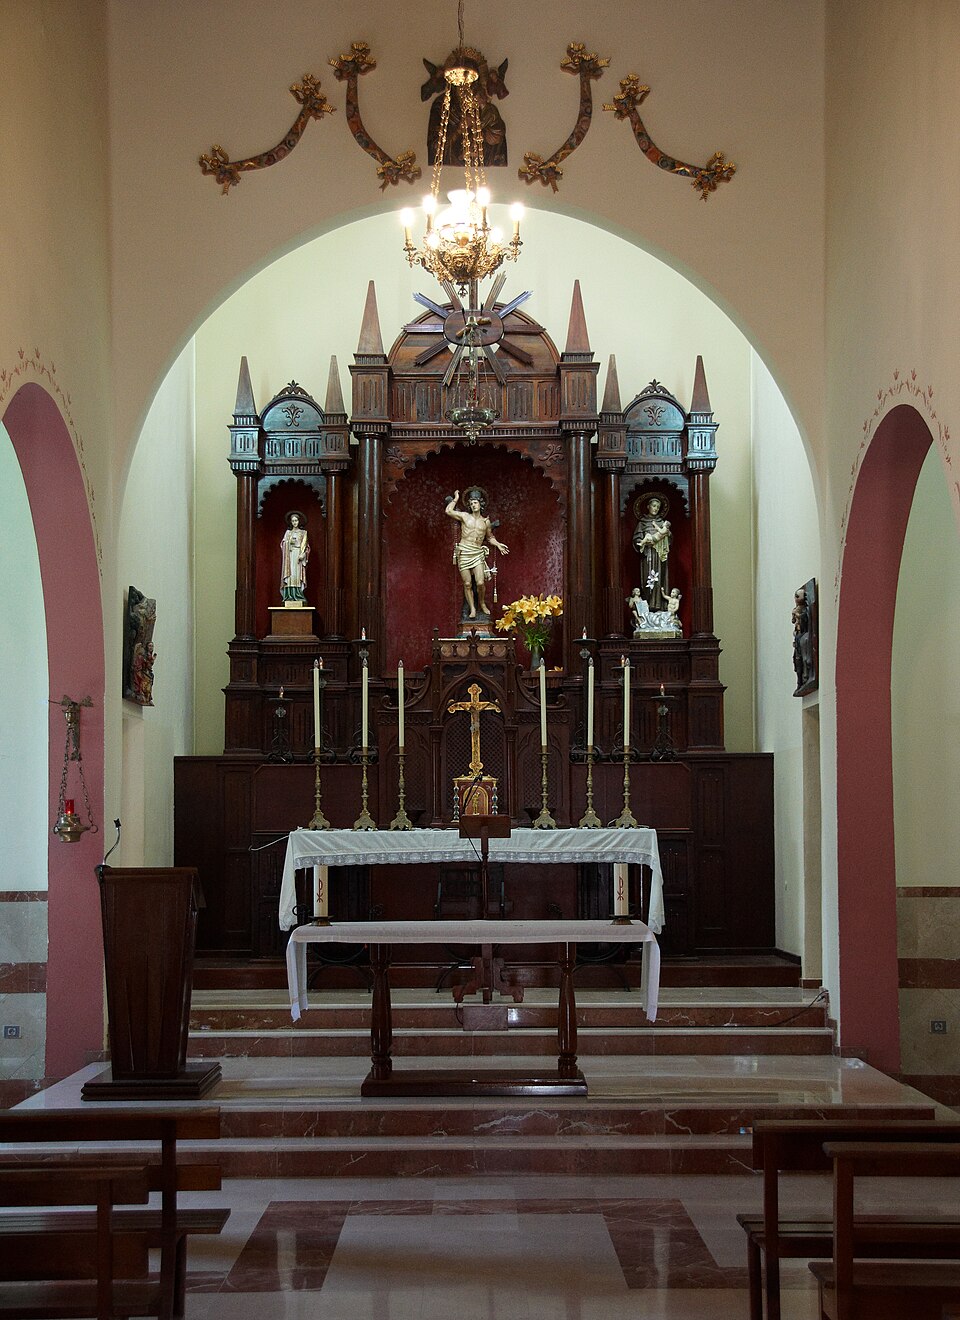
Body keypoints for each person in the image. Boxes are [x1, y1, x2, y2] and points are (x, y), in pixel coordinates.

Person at [445, 487, 509, 619]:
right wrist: (456, 499)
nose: (473, 505)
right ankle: (472, 609)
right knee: (467, 584)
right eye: (471, 503)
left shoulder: (485, 522)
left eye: (475, 502)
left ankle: (481, 603)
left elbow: (489, 537)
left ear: (481, 504)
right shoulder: (464, 516)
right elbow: (448, 511)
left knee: (480, 582)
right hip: (464, 551)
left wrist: (498, 544)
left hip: (477, 553)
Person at [632, 494, 672, 610]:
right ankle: (647, 606)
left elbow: (669, 539)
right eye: (653, 506)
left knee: (660, 579)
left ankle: (660, 606)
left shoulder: (662, 523)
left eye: (657, 507)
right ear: (648, 507)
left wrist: (667, 536)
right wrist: (642, 542)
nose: (655, 509)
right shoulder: (642, 523)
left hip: (659, 556)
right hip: (648, 555)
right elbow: (636, 539)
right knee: (648, 580)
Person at [280, 511, 310, 603]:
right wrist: (288, 543)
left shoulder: (303, 533)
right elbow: (282, 544)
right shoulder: (288, 533)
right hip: (290, 555)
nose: (294, 523)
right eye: (293, 521)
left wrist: (303, 554)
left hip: (298, 555)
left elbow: (306, 547)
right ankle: (289, 595)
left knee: (297, 575)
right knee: (290, 575)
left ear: (299, 521)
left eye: (296, 520)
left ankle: (298, 594)